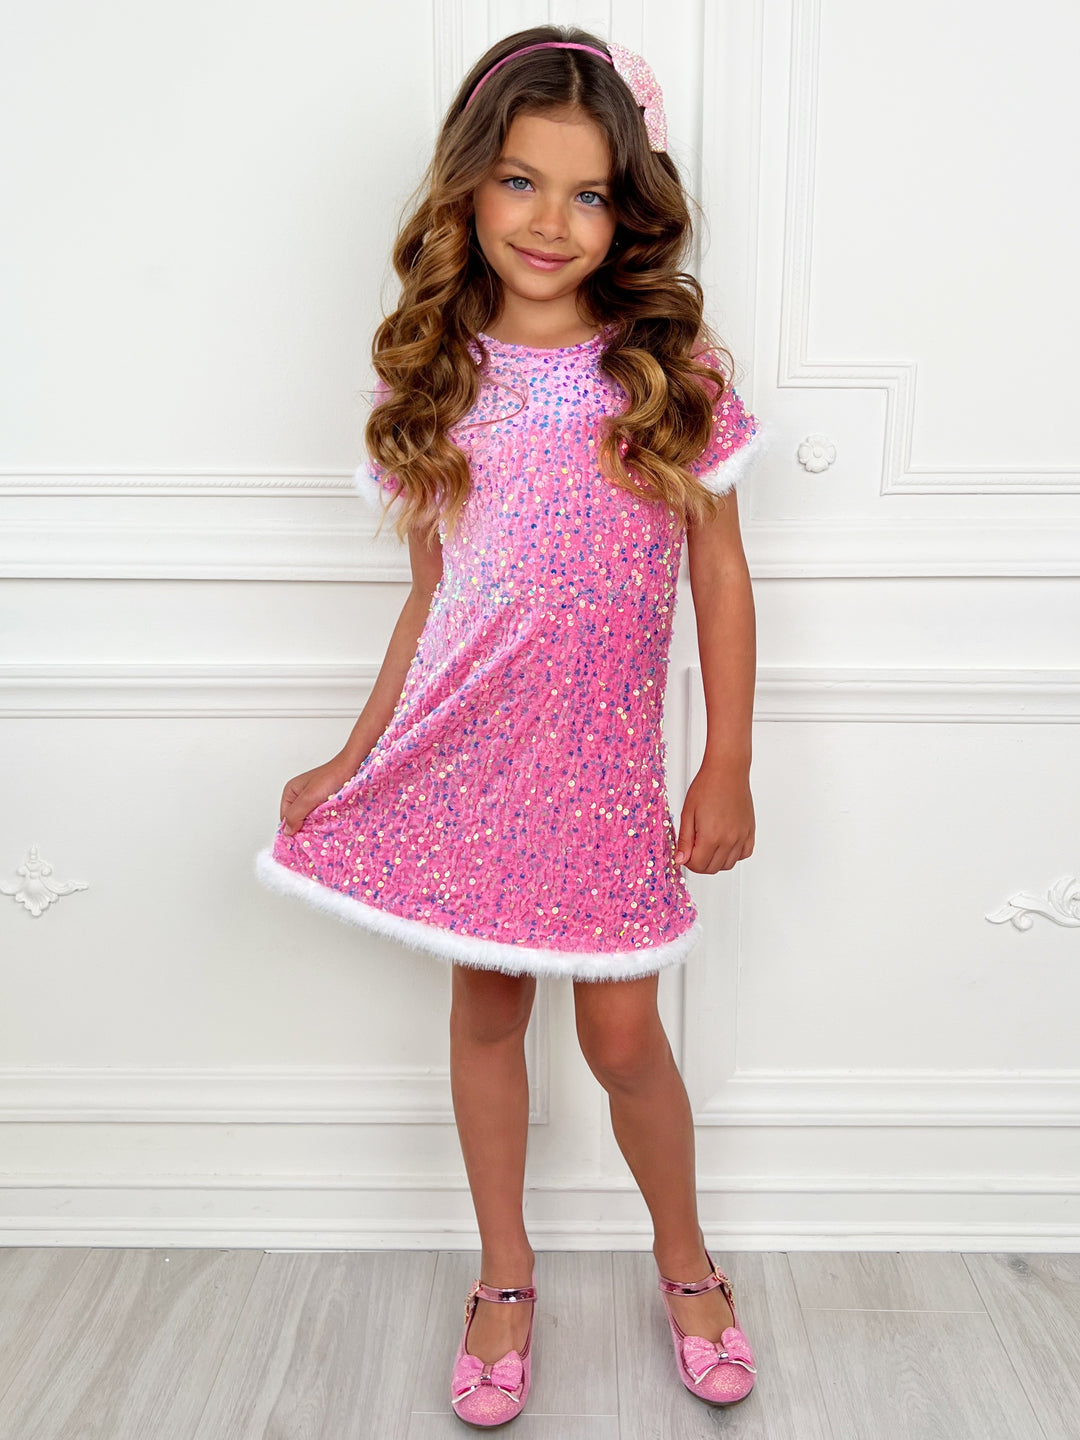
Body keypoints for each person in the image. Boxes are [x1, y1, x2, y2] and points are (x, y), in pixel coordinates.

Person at [255, 23, 768, 1427]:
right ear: (470, 187)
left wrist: (725, 758)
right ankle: (503, 1276)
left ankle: (687, 1262)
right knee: (485, 1012)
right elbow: (433, 599)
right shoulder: (437, 381)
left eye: (589, 193)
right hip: (468, 756)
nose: (551, 222)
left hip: (602, 774)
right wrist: (358, 754)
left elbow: (721, 575)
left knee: (621, 1039)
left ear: (628, 207)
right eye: (522, 183)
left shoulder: (665, 371)